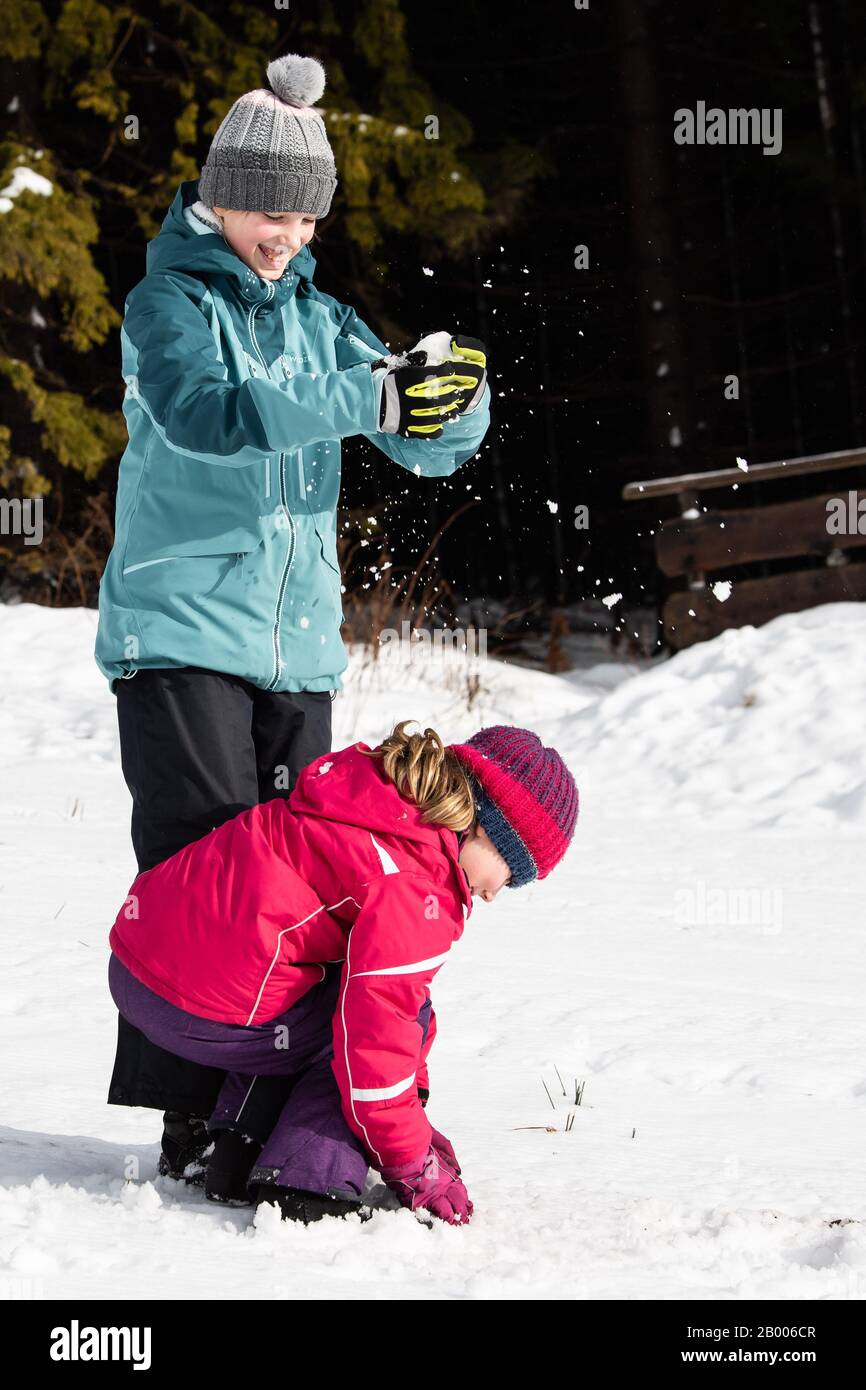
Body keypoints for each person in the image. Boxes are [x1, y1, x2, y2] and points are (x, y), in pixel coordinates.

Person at [93, 51, 491, 1188]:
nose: (286, 234)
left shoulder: (322, 319)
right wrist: (365, 396)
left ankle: (262, 1113)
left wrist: (448, 398)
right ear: (219, 190)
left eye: (306, 215)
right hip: (179, 634)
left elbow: (415, 436)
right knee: (203, 878)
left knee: (301, 890)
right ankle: (186, 1118)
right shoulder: (168, 304)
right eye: (270, 207)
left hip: (296, 650)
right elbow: (203, 414)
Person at [107, 720, 579, 1225]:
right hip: (198, 1004)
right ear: (486, 827)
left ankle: (237, 1150)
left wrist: (411, 1116)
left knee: (332, 993)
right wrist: (414, 1164)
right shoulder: (420, 885)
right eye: (511, 872)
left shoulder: (370, 794)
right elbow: (375, 1050)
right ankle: (310, 1181)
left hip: (136, 962)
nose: (493, 894)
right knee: (358, 1030)